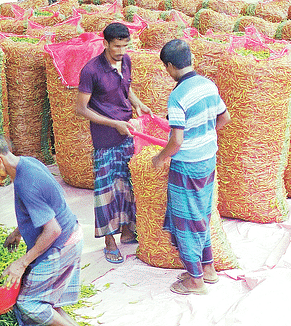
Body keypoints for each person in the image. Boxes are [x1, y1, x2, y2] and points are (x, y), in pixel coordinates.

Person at [0, 131, 97, 326]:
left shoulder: (25, 181)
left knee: (28, 303)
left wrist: (22, 262)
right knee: (45, 297)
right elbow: (41, 208)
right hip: (69, 237)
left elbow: (53, 230)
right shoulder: (26, 164)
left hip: (62, 245)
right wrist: (18, 232)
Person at [152, 39, 231, 295]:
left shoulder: (178, 95)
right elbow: (225, 118)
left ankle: (195, 280)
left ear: (170, 66)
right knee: (202, 214)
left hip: (187, 165)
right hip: (208, 159)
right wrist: (205, 133)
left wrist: (160, 157)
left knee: (185, 220)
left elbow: (176, 140)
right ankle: (208, 269)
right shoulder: (208, 85)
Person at [76, 22, 152, 264]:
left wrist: (137, 103)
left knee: (128, 182)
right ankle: (109, 240)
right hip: (106, 137)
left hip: (127, 131)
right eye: (117, 46)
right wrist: (112, 123)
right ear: (105, 43)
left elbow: (125, 88)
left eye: (125, 46)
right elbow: (81, 109)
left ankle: (128, 230)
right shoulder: (91, 71)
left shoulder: (126, 61)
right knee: (106, 189)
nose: (121, 51)